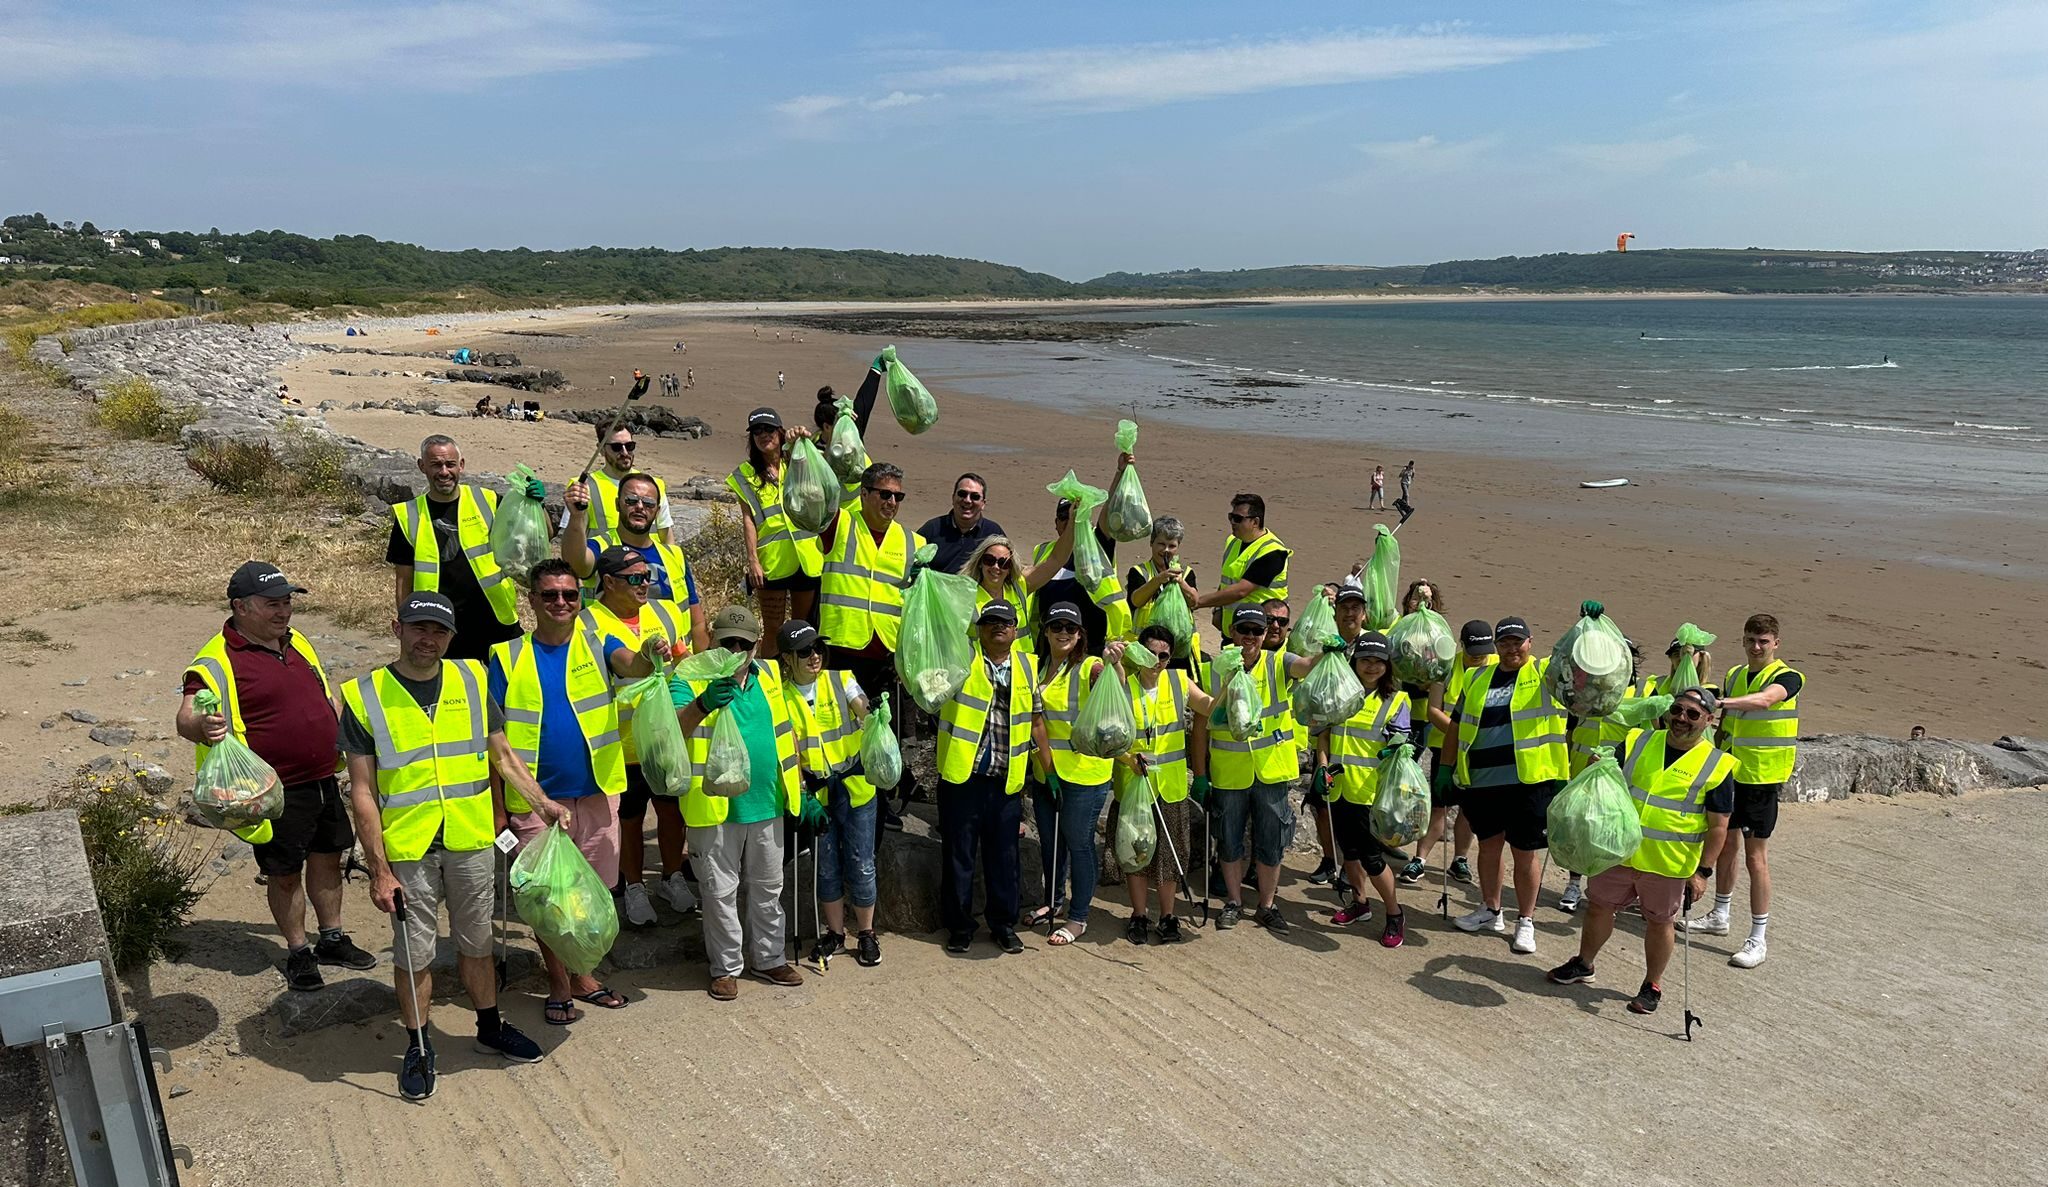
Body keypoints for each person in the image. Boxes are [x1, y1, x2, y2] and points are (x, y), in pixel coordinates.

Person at [339, 592, 559, 1100]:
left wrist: (541, 802)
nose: (428, 639)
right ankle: (418, 1045)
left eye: (438, 631)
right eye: (418, 628)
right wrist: (379, 871)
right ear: (396, 627)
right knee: (414, 954)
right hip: (409, 847)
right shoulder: (363, 695)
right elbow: (363, 791)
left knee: (477, 942)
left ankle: (488, 1026)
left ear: (451, 636)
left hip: (469, 838)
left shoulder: (473, 679)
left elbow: (502, 756)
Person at [177, 562, 376, 992]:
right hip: (274, 791)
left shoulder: (297, 641)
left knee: (328, 857)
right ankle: (299, 951)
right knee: (285, 872)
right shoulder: (214, 659)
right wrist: (203, 727)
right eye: (273, 604)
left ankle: (333, 938)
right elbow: (187, 715)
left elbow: (323, 695)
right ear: (241, 607)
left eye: (287, 602)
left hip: (323, 775)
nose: (284, 611)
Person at [487, 560, 631, 1024]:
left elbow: (635, 664)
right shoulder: (505, 657)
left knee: (592, 894)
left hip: (596, 793)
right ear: (531, 600)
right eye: (550, 595)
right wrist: (497, 811)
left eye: (570, 594)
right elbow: (494, 742)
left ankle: (584, 973)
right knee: (549, 901)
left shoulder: (599, 644)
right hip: (536, 803)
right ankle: (559, 983)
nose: (562, 603)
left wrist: (652, 652)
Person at [1548, 687, 1735, 1016]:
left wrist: (1703, 872)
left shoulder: (1717, 765)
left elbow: (1719, 827)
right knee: (1598, 908)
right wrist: (1598, 765)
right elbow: (1608, 776)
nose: (1681, 719)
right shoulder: (1638, 741)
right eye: (1677, 710)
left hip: (1668, 863)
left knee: (1659, 922)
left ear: (1709, 720)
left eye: (1693, 714)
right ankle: (1584, 964)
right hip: (1618, 850)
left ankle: (1652, 984)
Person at [671, 606, 811, 1000]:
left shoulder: (767, 674)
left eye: (744, 644)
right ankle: (726, 968)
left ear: (756, 644)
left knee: (769, 887)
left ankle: (769, 959)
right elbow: (673, 730)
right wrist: (702, 704)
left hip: (766, 801)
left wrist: (801, 788)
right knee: (719, 892)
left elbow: (787, 731)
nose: (735, 650)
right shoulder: (688, 674)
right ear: (712, 640)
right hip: (713, 806)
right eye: (727, 642)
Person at [579, 546, 696, 928]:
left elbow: (683, 662)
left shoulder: (664, 612)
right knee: (629, 817)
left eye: (648, 577)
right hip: (619, 740)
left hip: (662, 736)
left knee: (670, 808)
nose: (644, 584)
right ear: (609, 582)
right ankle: (632, 886)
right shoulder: (588, 622)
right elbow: (621, 666)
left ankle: (672, 875)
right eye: (634, 578)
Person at [1190, 605, 1319, 933]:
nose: (1250, 637)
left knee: (1271, 841)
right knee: (1229, 840)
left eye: (1257, 631)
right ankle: (1233, 902)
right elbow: (1201, 728)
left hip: (1271, 771)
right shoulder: (1214, 670)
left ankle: (1267, 905)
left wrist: (1329, 652)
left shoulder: (1279, 663)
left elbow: (1305, 667)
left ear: (1266, 635)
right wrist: (1201, 775)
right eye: (1244, 630)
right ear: (1232, 632)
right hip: (1230, 772)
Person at [1446, 615, 1569, 956]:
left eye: (1518, 642)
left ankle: (1526, 921)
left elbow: (1579, 667)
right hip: (1483, 782)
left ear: (1530, 642)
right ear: (1495, 646)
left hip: (1529, 782)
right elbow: (1456, 725)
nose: (1512, 648)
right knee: (1487, 847)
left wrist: (1587, 625)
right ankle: (1490, 910)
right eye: (1505, 643)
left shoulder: (1545, 674)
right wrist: (1445, 768)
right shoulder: (1476, 677)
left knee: (1524, 854)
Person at [1689, 613, 1805, 970]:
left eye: (1763, 641)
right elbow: (1725, 726)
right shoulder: (1736, 675)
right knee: (1725, 844)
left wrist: (1719, 703)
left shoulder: (1787, 676)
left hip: (1762, 778)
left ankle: (1758, 937)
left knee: (1756, 858)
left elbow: (1767, 701)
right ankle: (1719, 914)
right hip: (1730, 771)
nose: (1756, 647)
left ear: (1775, 644)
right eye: (1750, 640)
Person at [935, 602, 1049, 954]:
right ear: (980, 629)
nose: (998, 627)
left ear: (1016, 629)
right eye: (990, 622)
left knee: (1004, 858)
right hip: (962, 776)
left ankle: (1003, 924)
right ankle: (959, 926)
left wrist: (1049, 770)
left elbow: (1036, 721)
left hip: (1005, 779)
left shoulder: (1028, 665)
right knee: (958, 856)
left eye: (1005, 622)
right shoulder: (960, 659)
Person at [818, 461, 927, 827]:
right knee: (838, 733)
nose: (892, 502)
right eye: (885, 494)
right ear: (863, 495)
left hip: (885, 656)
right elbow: (823, 490)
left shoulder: (914, 543)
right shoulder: (841, 524)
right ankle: (833, 805)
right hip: (840, 651)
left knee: (881, 733)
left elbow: (917, 606)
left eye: (898, 496)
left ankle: (878, 807)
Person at [776, 619, 882, 970]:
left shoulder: (842, 679)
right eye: (804, 651)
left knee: (861, 862)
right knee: (825, 867)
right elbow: (787, 750)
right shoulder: (779, 697)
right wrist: (802, 794)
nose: (814, 657)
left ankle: (866, 933)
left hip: (855, 787)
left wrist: (875, 717)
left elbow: (861, 708)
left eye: (817, 649)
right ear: (787, 658)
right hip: (816, 794)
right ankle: (835, 933)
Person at [1105, 627, 1213, 943]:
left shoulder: (1179, 681)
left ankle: (1168, 917)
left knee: (1169, 855)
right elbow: (1109, 733)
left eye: (1163, 655)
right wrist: (1128, 760)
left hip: (1170, 787)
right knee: (1135, 853)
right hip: (1134, 785)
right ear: (1140, 653)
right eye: (1150, 653)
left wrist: (1234, 682)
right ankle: (1138, 915)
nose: (1157, 661)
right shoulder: (1124, 684)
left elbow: (1208, 706)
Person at [387, 435, 523, 662]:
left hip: (496, 618)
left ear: (461, 465)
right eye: (435, 465)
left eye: (450, 464)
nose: (443, 472)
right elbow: (403, 580)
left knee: (508, 690)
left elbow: (536, 536)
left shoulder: (487, 500)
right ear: (422, 467)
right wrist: (407, 625)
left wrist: (533, 503)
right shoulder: (408, 515)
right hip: (441, 626)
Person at [1315, 632, 1413, 946]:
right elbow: (1325, 735)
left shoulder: (1396, 699)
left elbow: (1402, 742)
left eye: (1378, 661)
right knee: (1351, 853)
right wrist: (1321, 765)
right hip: (1339, 788)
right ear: (1354, 662)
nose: (1371, 667)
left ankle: (1395, 914)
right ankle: (1359, 903)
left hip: (1371, 793)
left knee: (1372, 858)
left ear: (1388, 666)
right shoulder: (1341, 694)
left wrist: (1396, 747)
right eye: (1365, 660)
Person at [1025, 603, 1114, 946]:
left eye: (1071, 628)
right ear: (1045, 630)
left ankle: (1078, 918)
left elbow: (1109, 680)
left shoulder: (1088, 666)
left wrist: (1114, 666)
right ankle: (1053, 903)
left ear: (1080, 635)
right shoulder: (1038, 667)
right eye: (1056, 625)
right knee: (1051, 844)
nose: (1064, 632)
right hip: (1047, 772)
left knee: (1078, 844)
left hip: (1084, 775)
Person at [561, 471, 709, 655]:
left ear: (657, 511)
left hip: (675, 667)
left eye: (648, 503)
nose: (640, 507)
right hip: (616, 664)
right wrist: (576, 518)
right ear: (617, 504)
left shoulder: (674, 555)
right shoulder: (600, 547)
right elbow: (575, 564)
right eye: (631, 500)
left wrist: (703, 676)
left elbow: (697, 622)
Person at [1558, 635, 1650, 913]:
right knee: (1577, 829)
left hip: (1616, 777)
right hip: (1581, 770)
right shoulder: (1583, 692)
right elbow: (1570, 732)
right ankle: (1574, 884)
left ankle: (1610, 889)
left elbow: (1647, 738)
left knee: (1611, 831)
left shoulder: (1642, 694)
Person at [1401, 618, 1495, 887]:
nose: (1479, 658)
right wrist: (1461, 734)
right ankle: (1420, 859)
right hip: (1446, 747)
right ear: (1461, 646)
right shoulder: (1445, 667)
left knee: (1468, 807)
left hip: (1479, 749)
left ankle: (1460, 859)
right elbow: (1433, 710)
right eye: (1473, 653)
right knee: (1439, 805)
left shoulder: (1496, 666)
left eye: (1483, 653)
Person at [725, 408, 821, 652]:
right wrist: (752, 560)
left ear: (779, 432)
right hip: (772, 563)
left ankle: (797, 678)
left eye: (768, 429)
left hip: (807, 557)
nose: (763, 435)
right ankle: (769, 680)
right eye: (757, 431)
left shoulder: (795, 460)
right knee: (773, 629)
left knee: (803, 627)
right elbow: (748, 520)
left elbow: (824, 456)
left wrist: (802, 437)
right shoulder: (745, 475)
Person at [1192, 493, 1290, 630]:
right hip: (1234, 630)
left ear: (1255, 522)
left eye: (1238, 519)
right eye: (1231, 517)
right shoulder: (1233, 541)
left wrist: (1197, 602)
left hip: (1259, 634)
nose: (1232, 522)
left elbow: (1241, 591)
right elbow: (1227, 581)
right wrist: (1218, 610)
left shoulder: (1273, 552)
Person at [963, 534, 1064, 656]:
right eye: (989, 560)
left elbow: (1056, 560)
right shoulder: (965, 595)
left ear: (1010, 568)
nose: (996, 567)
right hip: (983, 668)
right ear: (980, 563)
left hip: (1021, 667)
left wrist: (1075, 522)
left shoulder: (1019, 587)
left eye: (1003, 563)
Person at [1126, 516, 1203, 669]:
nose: (1166, 550)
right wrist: (1158, 580)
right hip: (1148, 648)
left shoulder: (1186, 573)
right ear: (1151, 543)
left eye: (1172, 545)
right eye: (1161, 544)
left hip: (1179, 650)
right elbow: (1136, 601)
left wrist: (1181, 582)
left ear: (1178, 547)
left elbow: (1194, 601)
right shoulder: (1139, 572)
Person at [579, 424, 674, 546]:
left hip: (649, 562)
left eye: (629, 446)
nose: (624, 452)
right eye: (616, 447)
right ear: (601, 449)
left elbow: (666, 535)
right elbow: (574, 535)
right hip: (604, 561)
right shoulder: (584, 487)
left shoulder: (654, 485)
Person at [917, 473, 1006, 574]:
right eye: (962, 494)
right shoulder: (933, 528)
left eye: (975, 496)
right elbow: (911, 562)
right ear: (953, 498)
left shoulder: (993, 533)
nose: (967, 500)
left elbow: (1007, 567)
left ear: (983, 504)